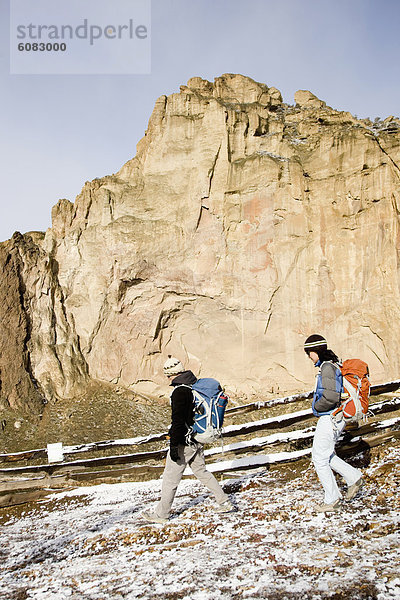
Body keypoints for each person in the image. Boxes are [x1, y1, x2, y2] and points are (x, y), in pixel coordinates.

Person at [142, 356, 234, 524]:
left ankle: (161, 515)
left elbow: (178, 421)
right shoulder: (194, 385)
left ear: (170, 375)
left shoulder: (179, 392)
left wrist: (174, 446)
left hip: (185, 442)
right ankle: (224, 501)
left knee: (170, 478)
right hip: (197, 438)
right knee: (202, 472)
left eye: (167, 375)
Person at [304, 334, 364, 513]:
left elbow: (330, 397)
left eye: (309, 353)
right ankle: (354, 477)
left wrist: (315, 406)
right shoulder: (333, 364)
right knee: (325, 454)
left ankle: (332, 499)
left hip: (330, 417)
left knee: (319, 458)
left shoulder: (327, 367)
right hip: (336, 417)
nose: (309, 357)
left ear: (317, 351)